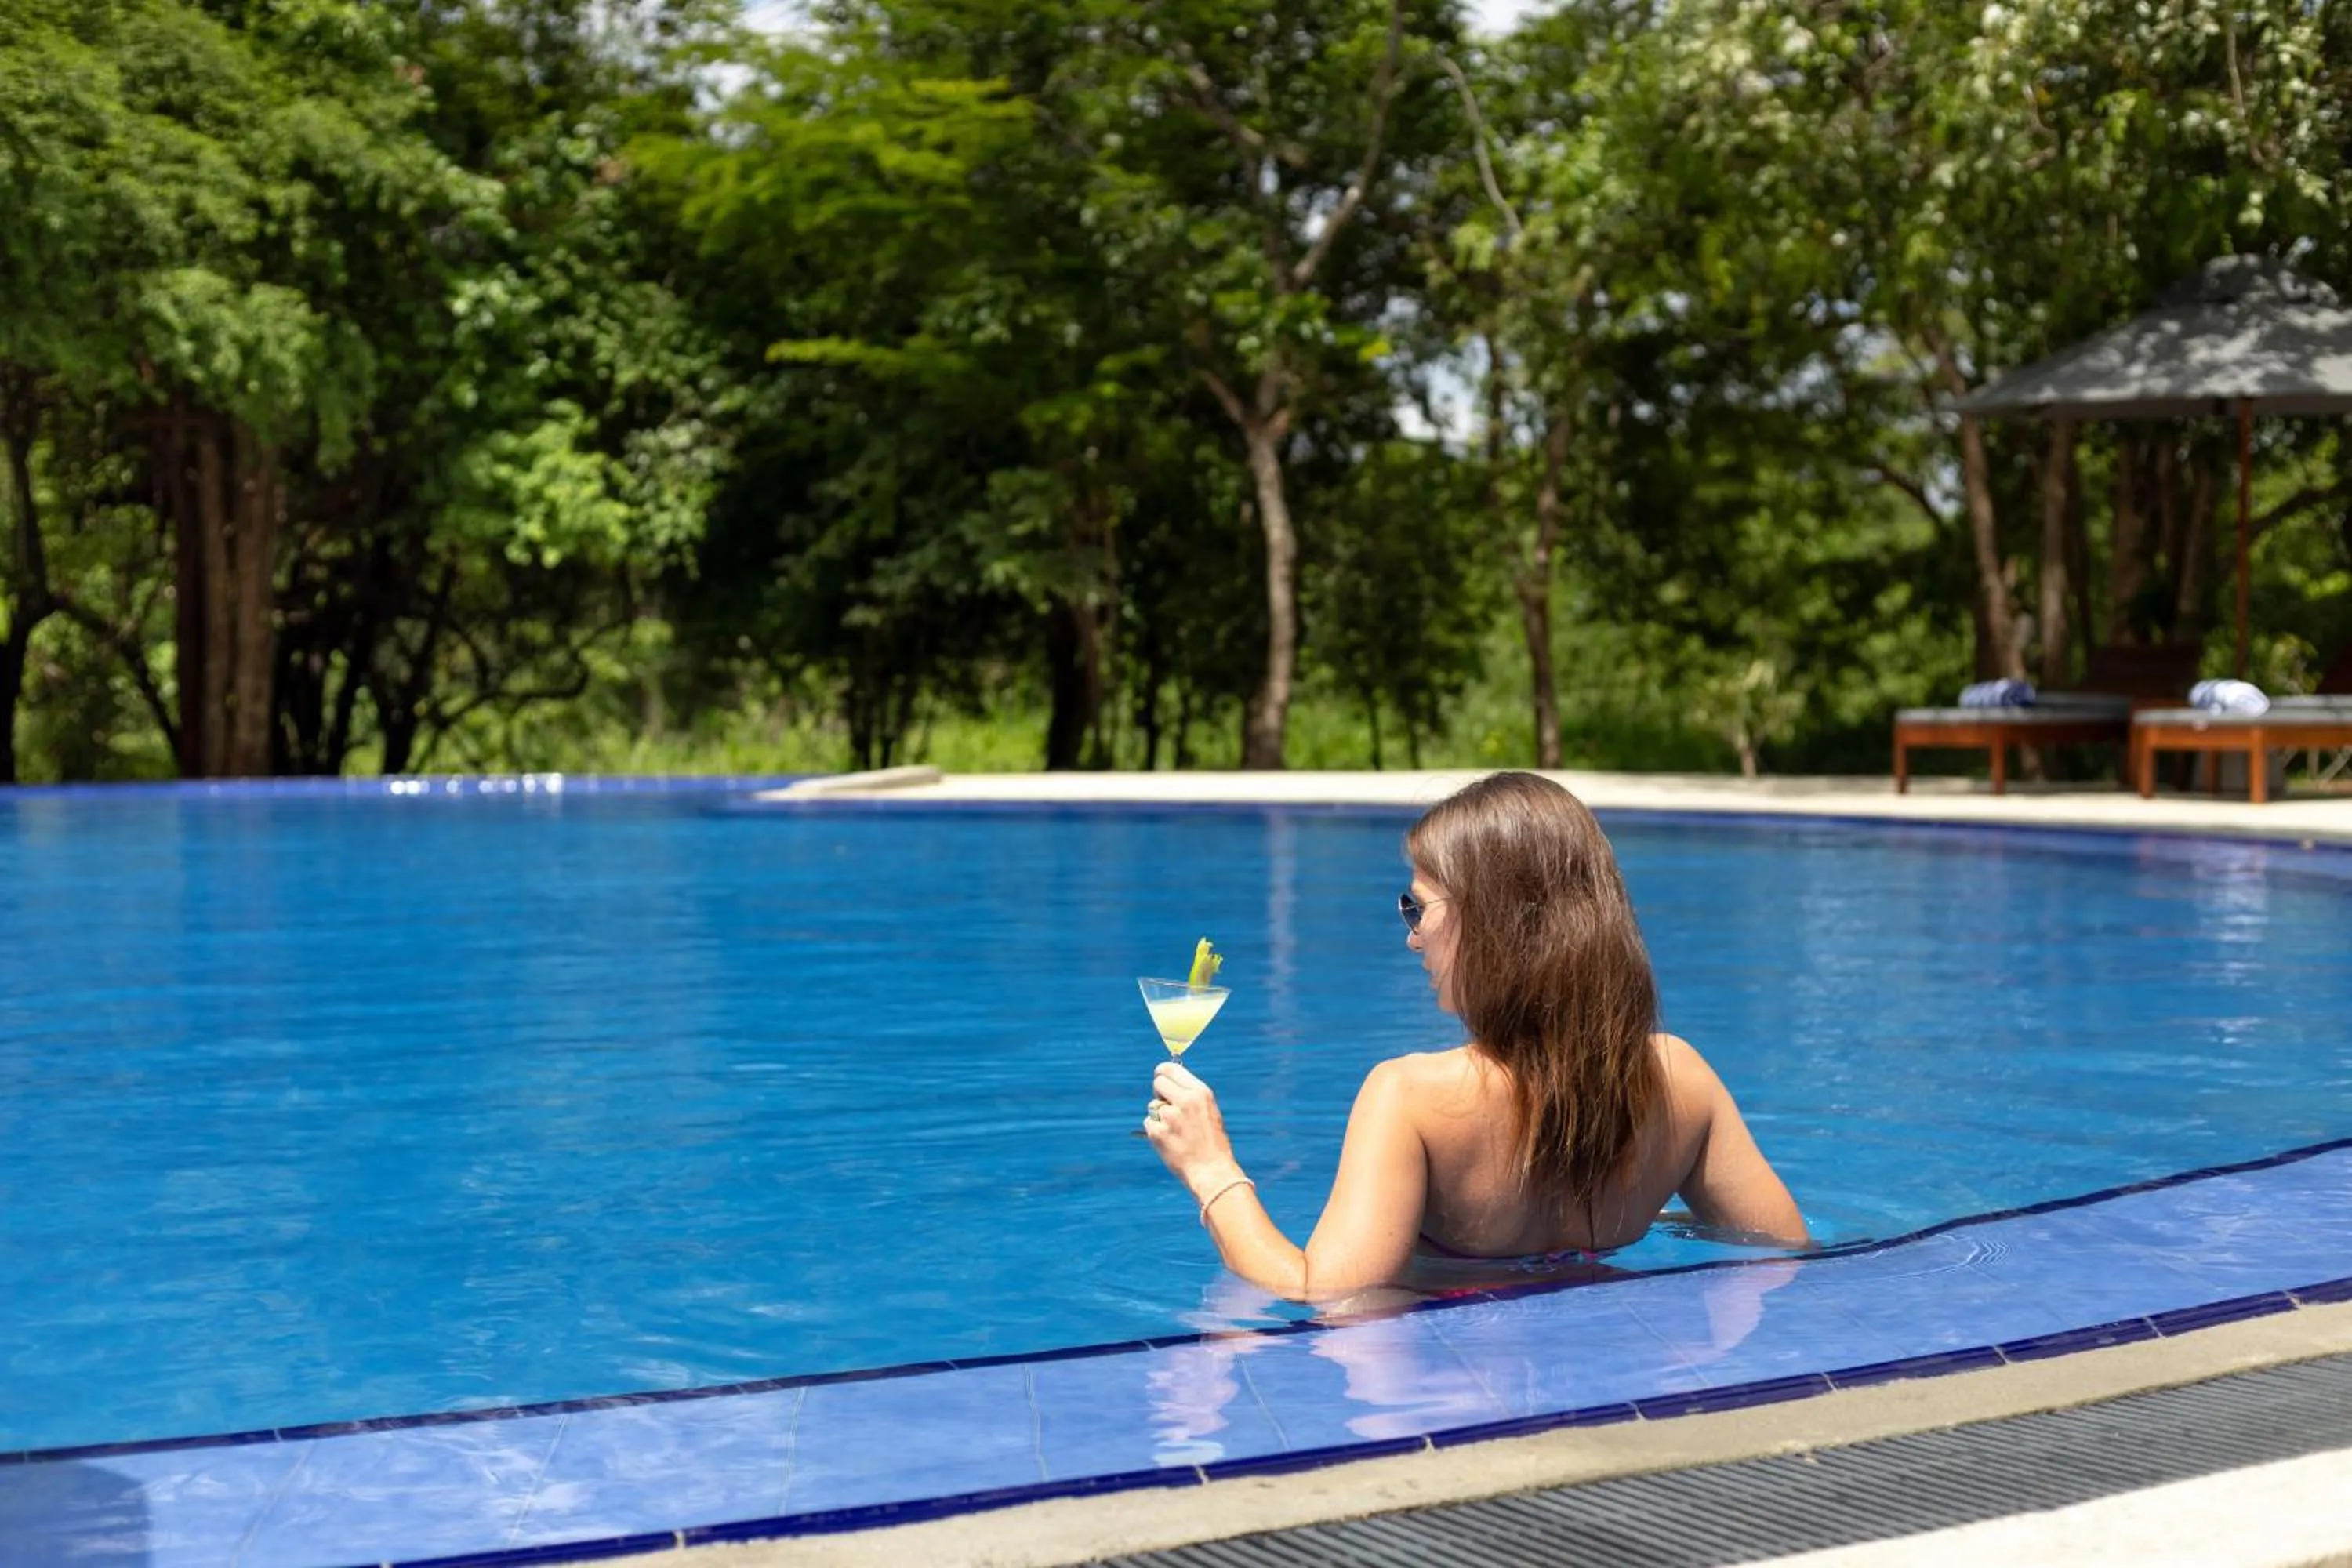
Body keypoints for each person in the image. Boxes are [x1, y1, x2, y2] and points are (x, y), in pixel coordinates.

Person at [1143, 771, 1807, 1303]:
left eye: (1417, 907)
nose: (1411, 936)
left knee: (1223, 1326)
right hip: (1622, 1370)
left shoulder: (1411, 1098)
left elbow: (1324, 1296)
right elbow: (1785, 1253)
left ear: (1493, 923)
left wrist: (1210, 1168)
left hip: (1444, 1395)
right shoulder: (1679, 1077)